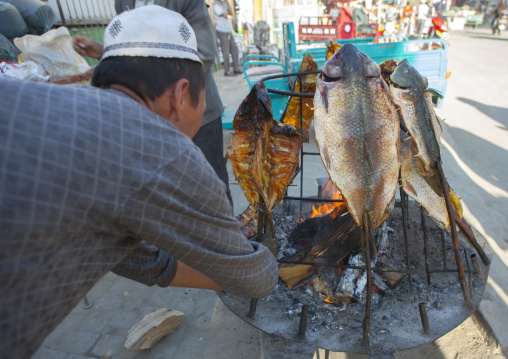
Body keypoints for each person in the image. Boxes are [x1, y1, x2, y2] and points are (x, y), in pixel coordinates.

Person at [0, 6, 278, 359]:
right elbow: (256, 281)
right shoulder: (163, 148)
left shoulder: (44, 99)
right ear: (181, 95)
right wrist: (265, 262)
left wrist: (201, 264)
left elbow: (122, 251)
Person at [212, 0, 242, 77]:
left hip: (229, 30)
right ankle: (227, 71)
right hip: (222, 30)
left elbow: (231, 13)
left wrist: (228, 2)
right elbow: (225, 15)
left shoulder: (224, 3)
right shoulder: (215, 4)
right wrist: (227, 14)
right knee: (226, 52)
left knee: (235, 50)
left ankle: (236, 69)